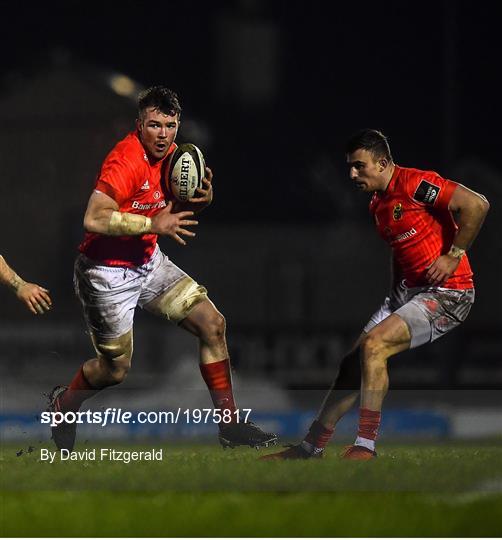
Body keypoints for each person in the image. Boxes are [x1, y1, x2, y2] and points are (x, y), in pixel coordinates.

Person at [48, 86, 276, 451]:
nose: (162, 134)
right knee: (114, 371)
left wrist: (204, 200)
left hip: (148, 263)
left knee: (212, 324)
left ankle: (230, 426)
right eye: (154, 125)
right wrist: (152, 225)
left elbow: (180, 209)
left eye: (169, 125)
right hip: (105, 273)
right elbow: (93, 218)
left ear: (177, 124)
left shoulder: (176, 157)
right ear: (139, 125)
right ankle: (65, 406)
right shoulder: (125, 160)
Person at [261, 128, 489, 461]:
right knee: (351, 366)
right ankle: (311, 448)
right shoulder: (377, 204)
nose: (352, 174)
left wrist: (453, 255)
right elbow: (401, 251)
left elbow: (477, 205)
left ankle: (365, 446)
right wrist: (398, 293)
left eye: (359, 166)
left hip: (448, 293)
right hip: (409, 294)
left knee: (374, 346)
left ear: (382, 163)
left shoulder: (416, 184)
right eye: (350, 167)